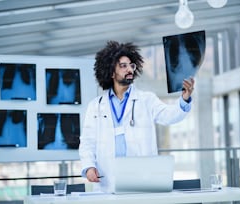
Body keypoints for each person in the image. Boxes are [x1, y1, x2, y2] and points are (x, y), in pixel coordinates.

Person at [79, 41, 195, 193]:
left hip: (141, 180)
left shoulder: (146, 99)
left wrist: (184, 100)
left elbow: (169, 116)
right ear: (111, 72)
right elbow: (87, 142)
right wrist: (89, 167)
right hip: (107, 181)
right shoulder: (96, 106)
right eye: (123, 66)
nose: (129, 69)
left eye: (131, 65)